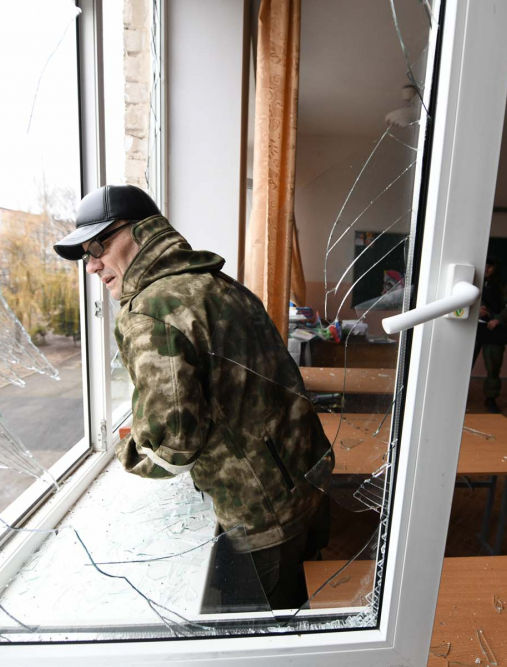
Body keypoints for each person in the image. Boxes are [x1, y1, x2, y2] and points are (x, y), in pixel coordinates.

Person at [53, 185, 333, 610]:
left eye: (98, 245)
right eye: (86, 255)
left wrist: (127, 455)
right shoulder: (216, 283)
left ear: (142, 232)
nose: (92, 265)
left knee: (261, 641)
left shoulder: (149, 311)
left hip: (260, 515)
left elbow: (173, 443)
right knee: (295, 612)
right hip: (304, 481)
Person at [473, 257, 507, 413]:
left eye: (490, 266)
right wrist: (476, 310)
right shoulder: (470, 282)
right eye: (484, 265)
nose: (486, 269)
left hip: (493, 331)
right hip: (471, 330)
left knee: (493, 366)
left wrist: (499, 319)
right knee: (463, 366)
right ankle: (455, 397)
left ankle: (491, 398)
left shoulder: (503, 285)